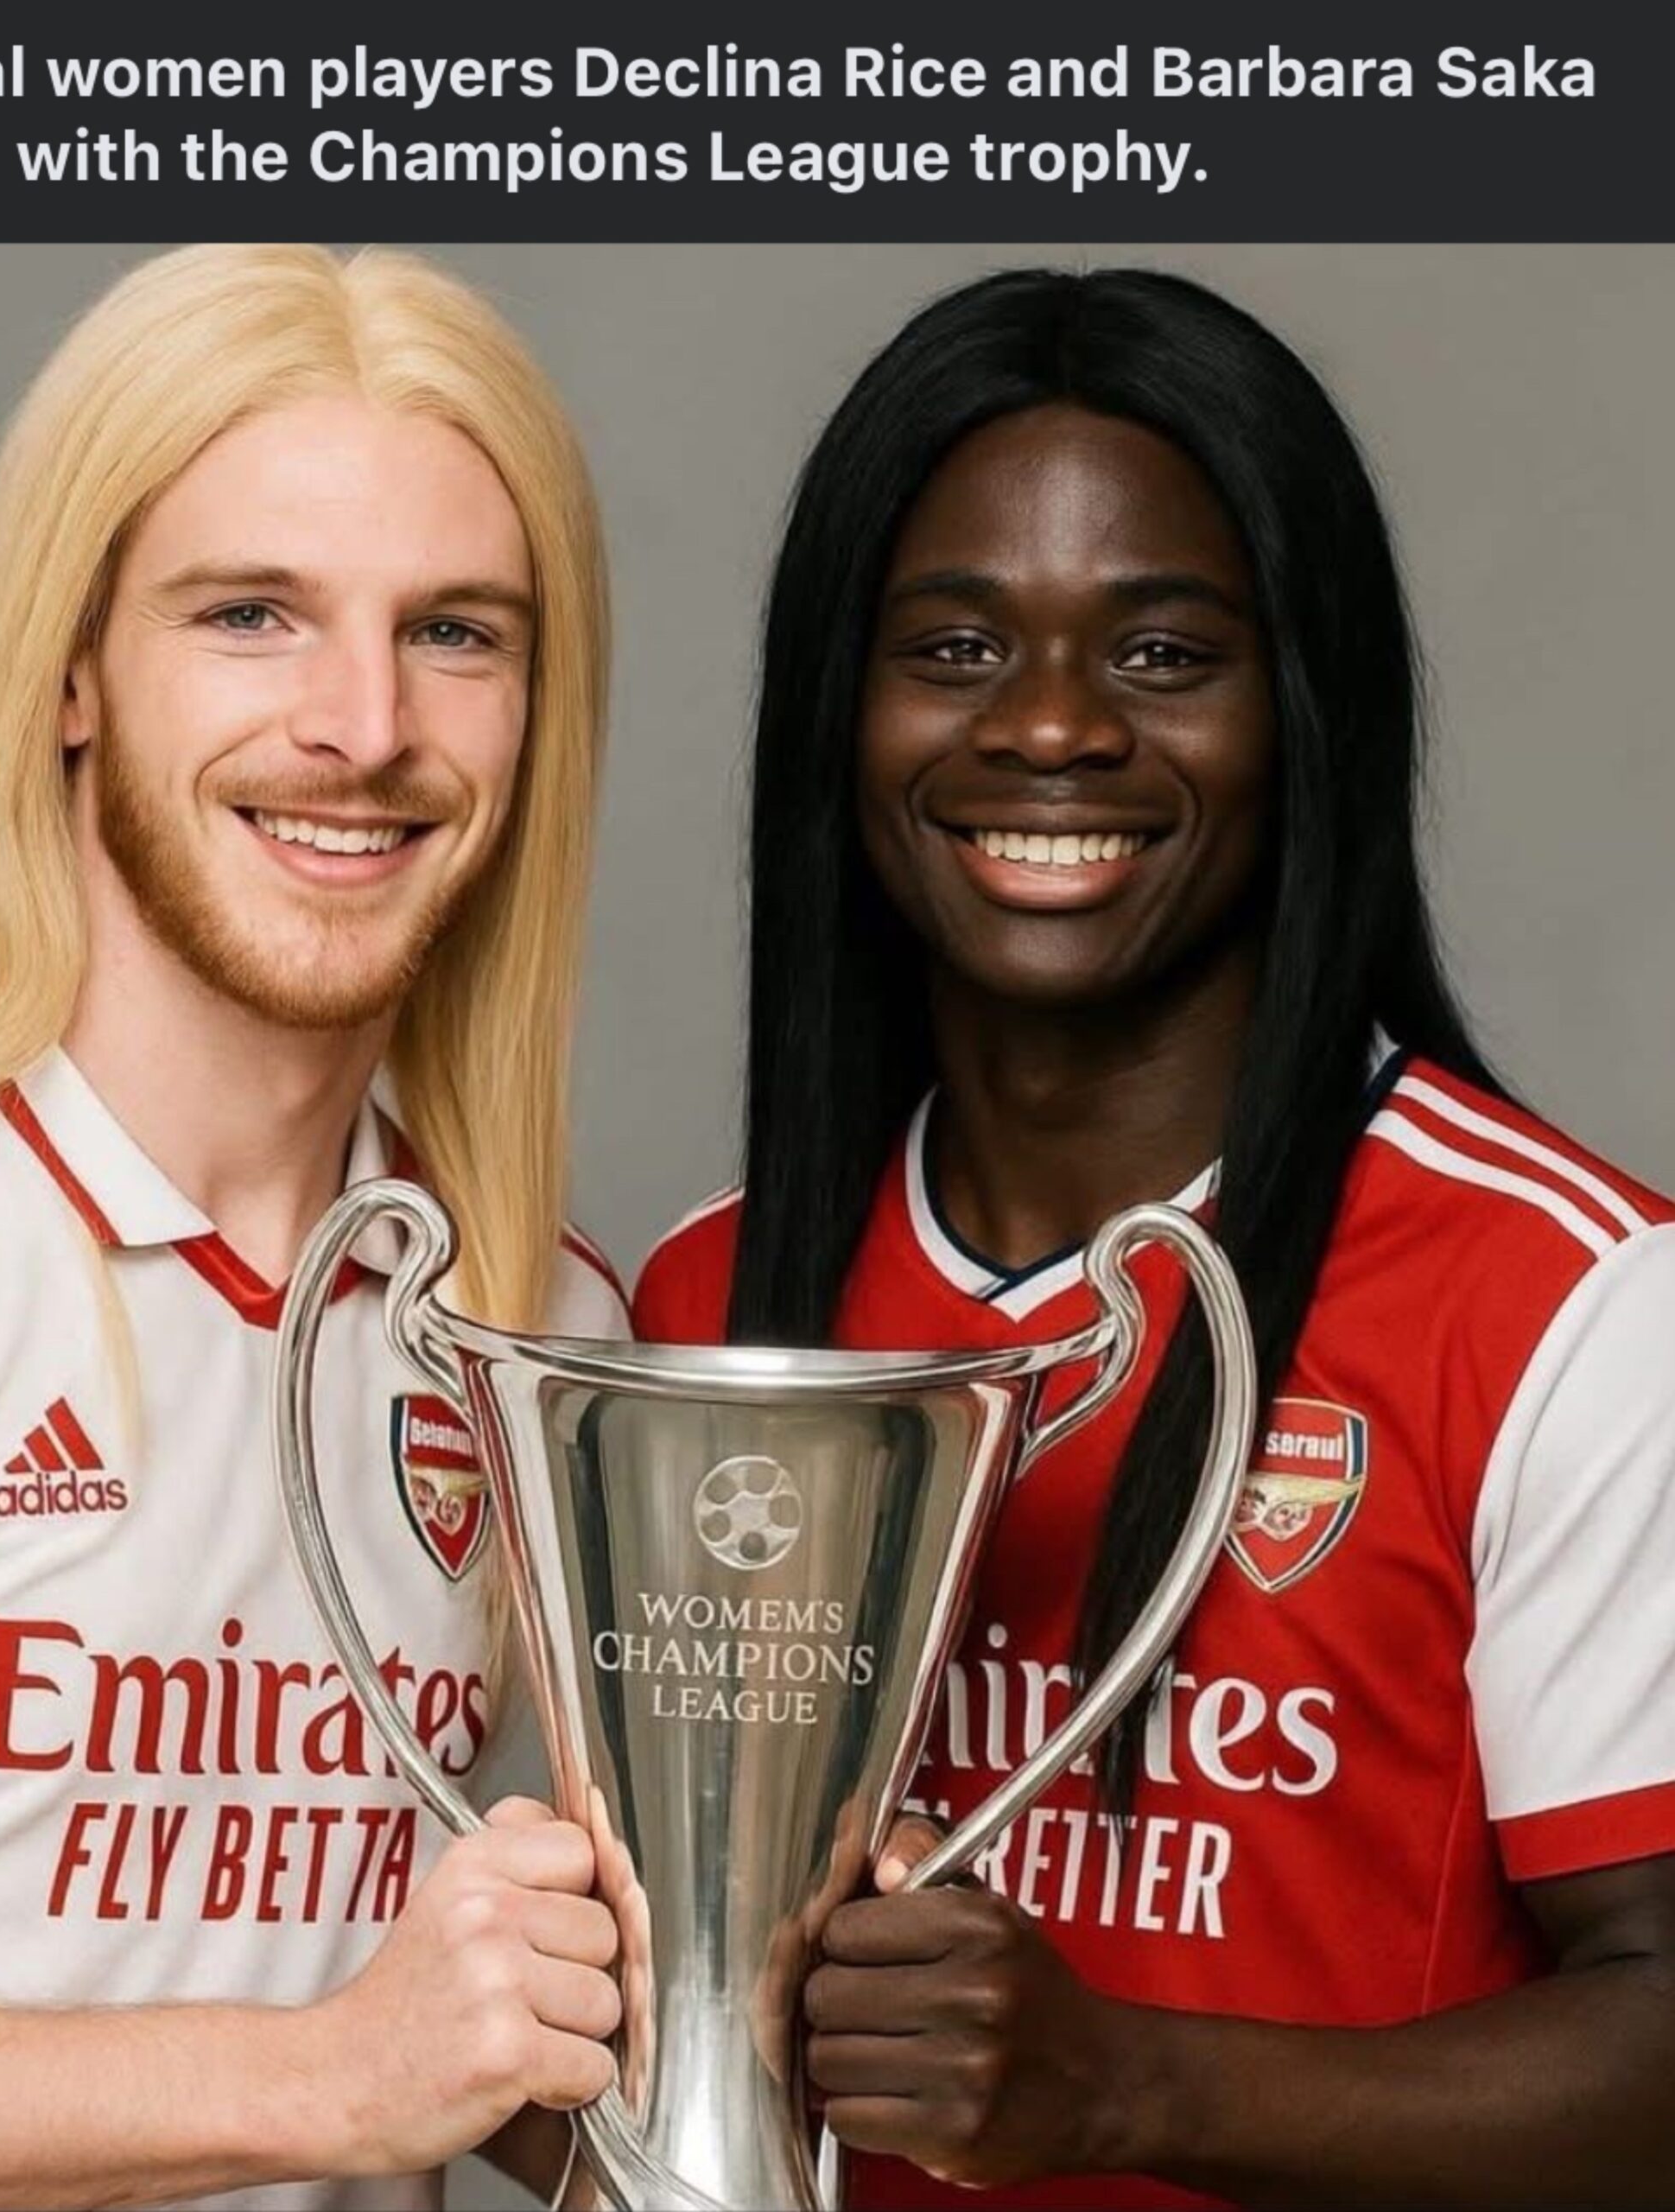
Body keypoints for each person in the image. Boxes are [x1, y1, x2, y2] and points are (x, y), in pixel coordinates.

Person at [634, 269, 1675, 2208]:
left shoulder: (1562, 1301)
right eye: (949, 645)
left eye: (1162, 654)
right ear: (834, 714)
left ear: (1303, 709)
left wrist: (1123, 2087)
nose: (1045, 728)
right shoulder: (710, 1304)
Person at [0, 243, 628, 2210]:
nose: (363, 724)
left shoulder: (538, 1321)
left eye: (457, 631)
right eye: (251, 614)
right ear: (66, 668)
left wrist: (712, 1990)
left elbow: (528, 2057)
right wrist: (318, 2077)